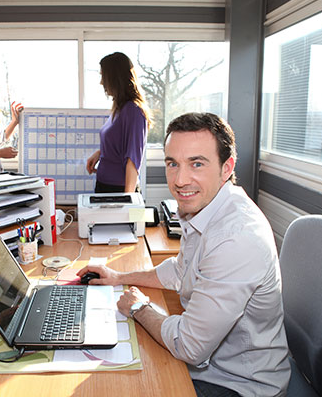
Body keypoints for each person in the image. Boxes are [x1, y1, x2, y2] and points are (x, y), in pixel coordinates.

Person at [78, 113, 290, 396]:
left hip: (239, 384)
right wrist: (119, 277)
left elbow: (188, 345)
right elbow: (180, 270)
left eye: (197, 164)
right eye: (172, 164)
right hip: (212, 366)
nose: (180, 180)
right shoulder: (206, 208)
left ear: (227, 167)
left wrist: (140, 308)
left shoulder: (237, 238)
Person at [86, 52, 150, 193]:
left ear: (115, 78)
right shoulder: (120, 109)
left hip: (118, 190)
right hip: (105, 185)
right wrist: (100, 153)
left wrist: (127, 201)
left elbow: (133, 159)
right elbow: (119, 143)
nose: (101, 82)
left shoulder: (133, 110)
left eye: (104, 76)